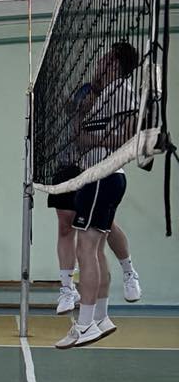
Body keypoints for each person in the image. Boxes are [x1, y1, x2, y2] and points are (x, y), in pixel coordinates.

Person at [56, 41, 141, 349]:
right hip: (96, 177)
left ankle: (84, 325)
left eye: (105, 57)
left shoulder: (122, 91)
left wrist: (94, 140)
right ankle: (101, 318)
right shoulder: (102, 94)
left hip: (104, 177)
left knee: (86, 249)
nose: (99, 61)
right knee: (95, 249)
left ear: (114, 63)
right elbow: (79, 136)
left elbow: (129, 138)